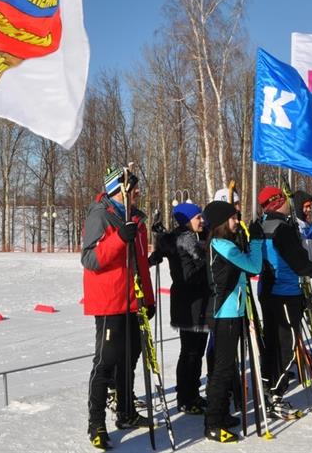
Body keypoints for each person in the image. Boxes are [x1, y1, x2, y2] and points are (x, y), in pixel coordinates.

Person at [81, 167, 155, 450]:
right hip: (111, 302)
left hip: (133, 302)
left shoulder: (135, 218)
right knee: (106, 362)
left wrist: (148, 300)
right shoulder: (100, 215)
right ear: (119, 190)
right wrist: (118, 238)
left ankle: (125, 411)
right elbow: (90, 259)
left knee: (129, 360)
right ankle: (96, 423)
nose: (138, 191)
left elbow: (140, 264)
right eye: (132, 187)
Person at [257, 186, 312, 419]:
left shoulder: (260, 223)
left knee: (272, 343)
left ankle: (267, 387)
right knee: (286, 346)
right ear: (278, 202)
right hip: (283, 290)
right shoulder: (282, 228)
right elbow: (299, 263)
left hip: (267, 290)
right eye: (285, 200)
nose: (289, 203)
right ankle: (276, 396)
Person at [202, 200, 263, 443]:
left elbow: (243, 270)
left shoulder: (224, 243)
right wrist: (256, 242)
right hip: (225, 313)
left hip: (231, 311)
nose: (237, 222)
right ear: (221, 222)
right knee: (222, 369)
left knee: (228, 368)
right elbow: (254, 266)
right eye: (233, 218)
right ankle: (213, 423)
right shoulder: (222, 245)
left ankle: (222, 413)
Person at [149, 202, 210, 415]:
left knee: (193, 351)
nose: (202, 221)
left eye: (202, 217)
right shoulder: (187, 242)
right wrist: (208, 262)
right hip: (191, 303)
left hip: (189, 303)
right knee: (191, 352)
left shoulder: (185, 239)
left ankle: (190, 392)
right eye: (198, 218)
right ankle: (186, 396)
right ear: (187, 221)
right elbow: (189, 276)